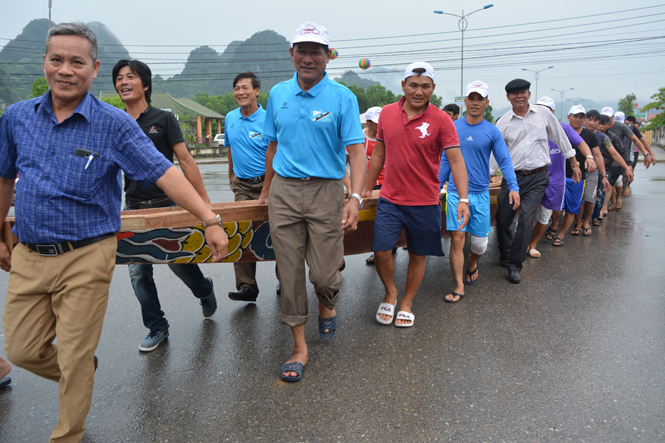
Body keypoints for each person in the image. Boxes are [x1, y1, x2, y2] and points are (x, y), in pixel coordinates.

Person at [0, 23, 228, 443]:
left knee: (74, 351)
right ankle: (79, 367)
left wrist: (209, 219)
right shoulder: (16, 118)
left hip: (88, 253)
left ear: (92, 67)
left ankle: (69, 431)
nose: (65, 70)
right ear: (45, 63)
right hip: (30, 252)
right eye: (57, 60)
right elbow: (4, 179)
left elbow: (165, 172)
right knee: (21, 350)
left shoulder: (114, 125)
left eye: (77, 62)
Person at [256, 21, 365, 382]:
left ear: (327, 57)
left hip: (326, 191)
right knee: (288, 274)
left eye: (315, 51)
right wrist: (266, 190)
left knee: (323, 275)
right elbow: (273, 144)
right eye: (301, 50)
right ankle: (299, 347)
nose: (307, 57)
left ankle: (327, 303)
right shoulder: (277, 94)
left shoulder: (342, 97)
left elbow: (355, 151)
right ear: (291, 54)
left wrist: (355, 197)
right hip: (285, 192)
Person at [113, 59, 218, 353]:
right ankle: (157, 327)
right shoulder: (115, 122)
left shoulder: (163, 119)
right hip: (133, 206)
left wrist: (205, 206)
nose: (123, 82)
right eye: (119, 78)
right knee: (138, 272)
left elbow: (185, 160)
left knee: (179, 262)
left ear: (144, 84)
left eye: (129, 77)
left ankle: (204, 289)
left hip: (167, 204)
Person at [362, 62, 470, 324]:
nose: (418, 91)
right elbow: (379, 153)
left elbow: (456, 161)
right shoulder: (387, 114)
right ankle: (391, 293)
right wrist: (365, 188)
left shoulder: (442, 120)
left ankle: (407, 302)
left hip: (424, 201)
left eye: (425, 86)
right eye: (413, 85)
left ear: (432, 88)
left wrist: (463, 199)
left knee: (417, 254)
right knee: (382, 251)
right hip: (390, 198)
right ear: (403, 86)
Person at [439, 80, 519, 303]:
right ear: (465, 102)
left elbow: (504, 160)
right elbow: (446, 160)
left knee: (479, 245)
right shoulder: (453, 128)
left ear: (487, 102)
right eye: (471, 98)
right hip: (455, 193)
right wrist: (436, 187)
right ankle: (458, 285)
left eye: (479, 99)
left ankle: (472, 262)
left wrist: (513, 186)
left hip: (480, 194)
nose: (475, 103)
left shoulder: (492, 131)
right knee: (457, 240)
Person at [494, 79, 580, 284]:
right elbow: (495, 152)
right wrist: (490, 173)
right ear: (508, 97)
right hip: (512, 178)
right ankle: (505, 254)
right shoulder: (503, 122)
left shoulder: (543, 115)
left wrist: (575, 163)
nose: (519, 96)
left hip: (538, 176)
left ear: (529, 94)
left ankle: (515, 265)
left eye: (523, 92)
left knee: (526, 218)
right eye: (514, 93)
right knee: (503, 219)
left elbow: (561, 138)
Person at [224, 71, 280, 300]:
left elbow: (277, 152)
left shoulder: (269, 118)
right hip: (243, 187)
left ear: (257, 91)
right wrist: (231, 175)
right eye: (237, 88)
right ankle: (247, 286)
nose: (240, 92)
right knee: (240, 232)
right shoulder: (230, 118)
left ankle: (285, 282)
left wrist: (268, 188)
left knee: (280, 233)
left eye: (245, 87)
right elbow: (229, 147)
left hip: (271, 183)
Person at [526, 96, 585, 256]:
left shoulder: (563, 128)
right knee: (528, 212)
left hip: (555, 181)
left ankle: (533, 244)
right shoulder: (528, 127)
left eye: (546, 109)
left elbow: (578, 144)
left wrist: (587, 160)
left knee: (546, 214)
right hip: (532, 178)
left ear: (552, 112)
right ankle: (523, 243)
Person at [552, 105, 602, 246]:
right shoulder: (558, 131)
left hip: (577, 176)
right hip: (557, 175)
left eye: (581, 117)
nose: (578, 120)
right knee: (555, 208)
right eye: (575, 116)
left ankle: (562, 234)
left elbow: (596, 155)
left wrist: (601, 173)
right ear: (568, 117)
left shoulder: (589, 136)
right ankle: (554, 224)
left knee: (573, 207)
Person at [585, 110, 634, 225]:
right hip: (582, 170)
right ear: (585, 120)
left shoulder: (603, 137)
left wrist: (627, 167)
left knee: (600, 195)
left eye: (595, 120)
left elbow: (615, 153)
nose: (592, 123)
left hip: (602, 169)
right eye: (589, 119)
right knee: (585, 197)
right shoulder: (577, 134)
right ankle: (582, 220)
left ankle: (595, 216)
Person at [601, 107, 651, 211]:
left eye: (608, 117)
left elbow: (637, 140)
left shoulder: (621, 127)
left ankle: (610, 203)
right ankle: (607, 204)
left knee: (612, 183)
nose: (605, 121)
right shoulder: (597, 129)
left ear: (613, 117)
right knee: (608, 185)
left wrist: (646, 154)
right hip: (602, 162)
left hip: (618, 162)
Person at [362, 106, 389, 265]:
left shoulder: (388, 137)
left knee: (385, 218)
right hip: (367, 185)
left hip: (387, 184)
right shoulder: (359, 139)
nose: (381, 126)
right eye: (377, 123)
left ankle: (380, 248)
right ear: (368, 122)